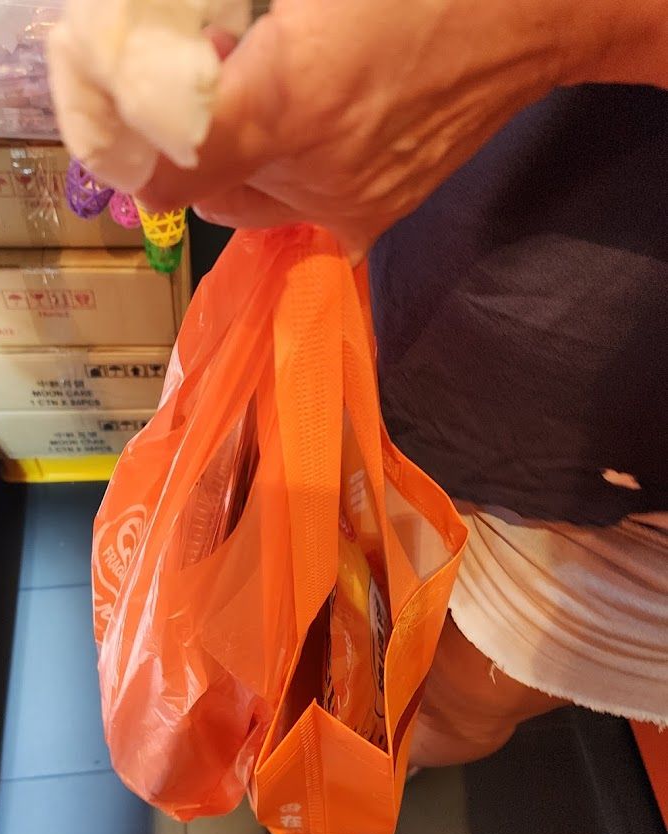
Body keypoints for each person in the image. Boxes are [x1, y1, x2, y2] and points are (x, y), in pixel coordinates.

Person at [56, 0, 668, 766]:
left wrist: (542, 30)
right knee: (407, 633)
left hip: (618, 424)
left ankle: (372, 759)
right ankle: (366, 744)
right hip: (442, 317)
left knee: (477, 681)